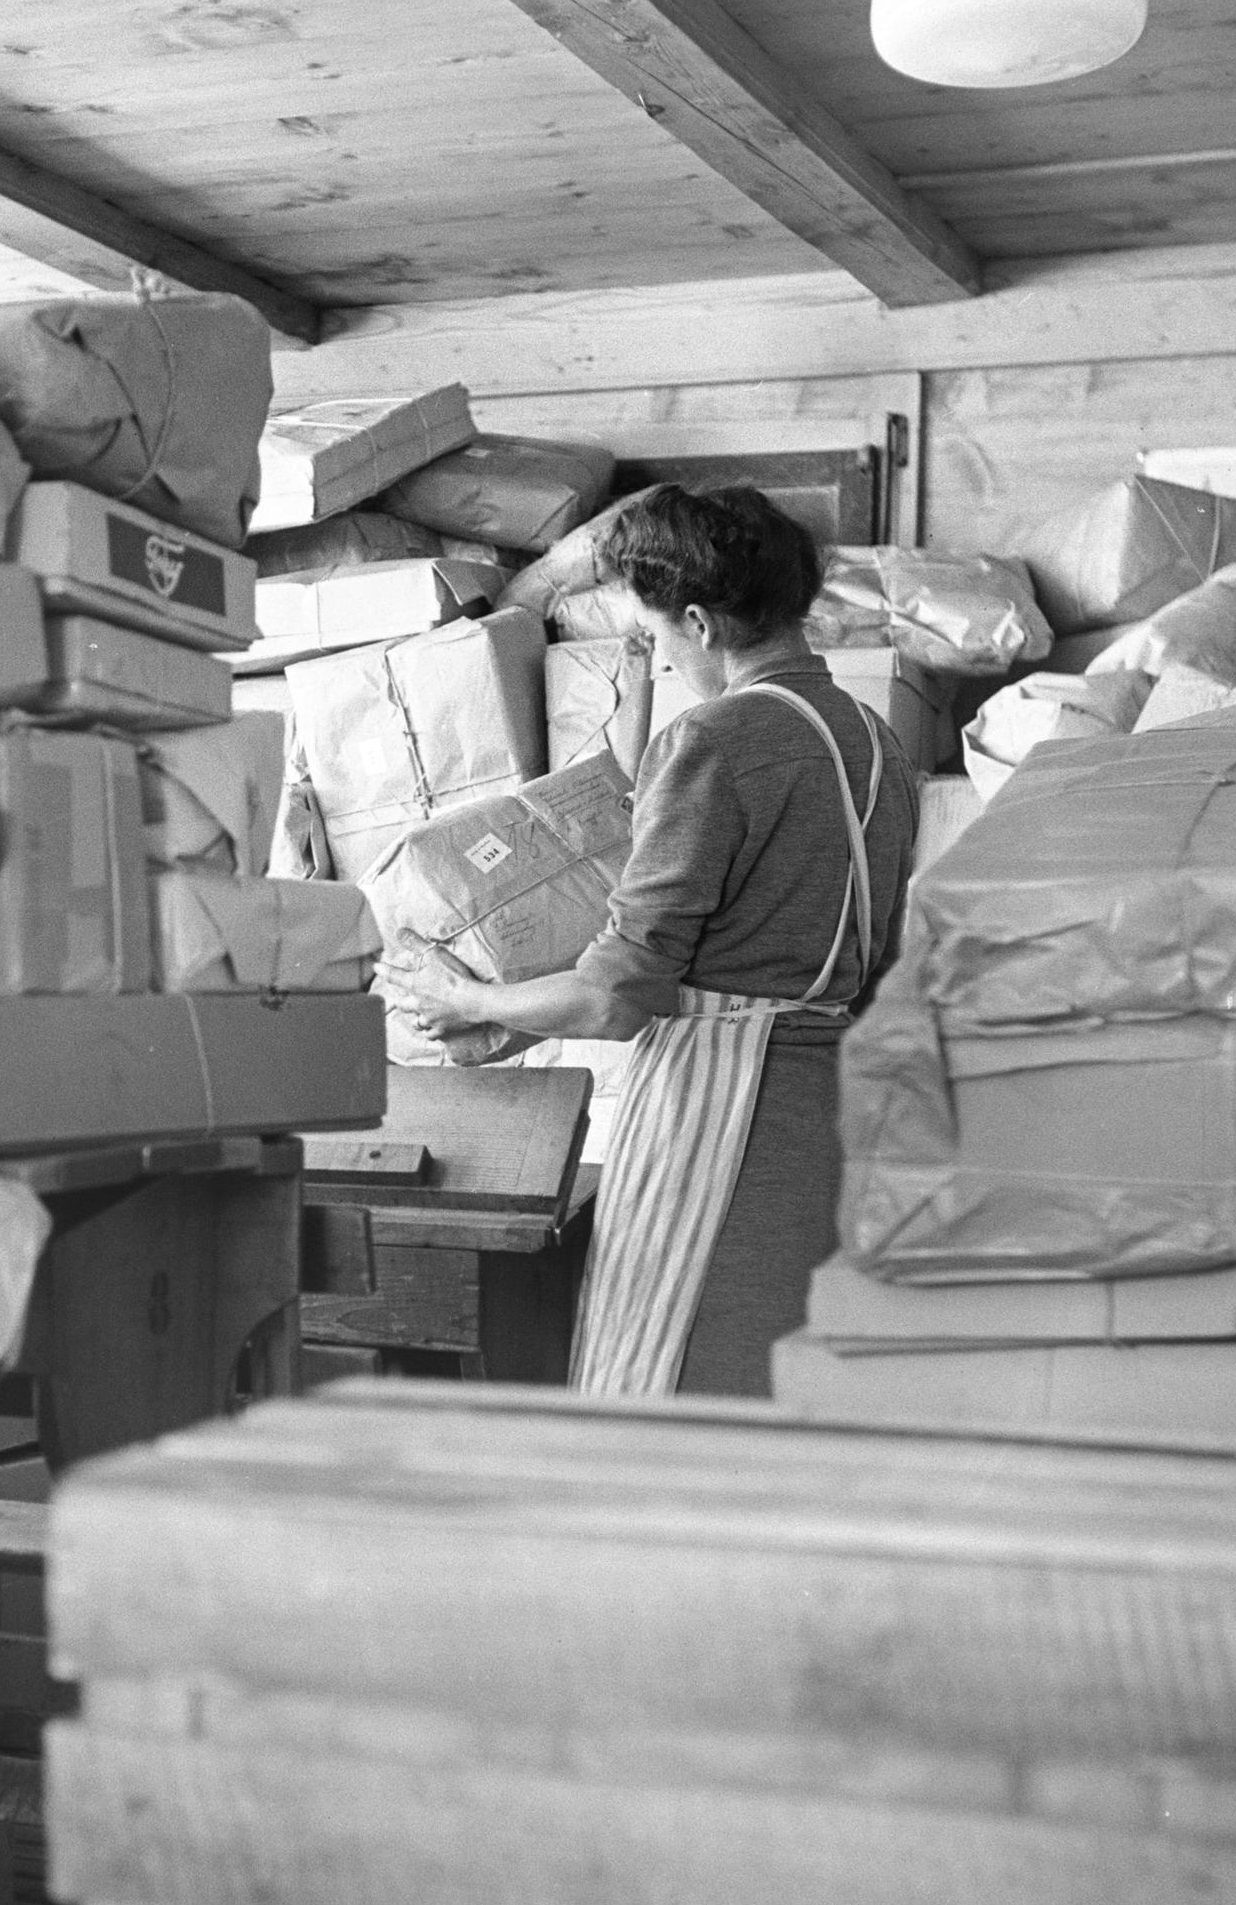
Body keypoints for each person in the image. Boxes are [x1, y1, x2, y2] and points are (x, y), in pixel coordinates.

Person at [390, 484, 919, 1396]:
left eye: (661, 637)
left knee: (662, 1380)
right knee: (772, 1388)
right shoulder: (876, 745)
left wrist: (465, 997)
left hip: (723, 1114)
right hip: (831, 1104)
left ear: (704, 623)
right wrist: (513, 1025)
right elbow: (772, 950)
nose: (667, 660)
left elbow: (616, 993)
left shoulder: (716, 739)